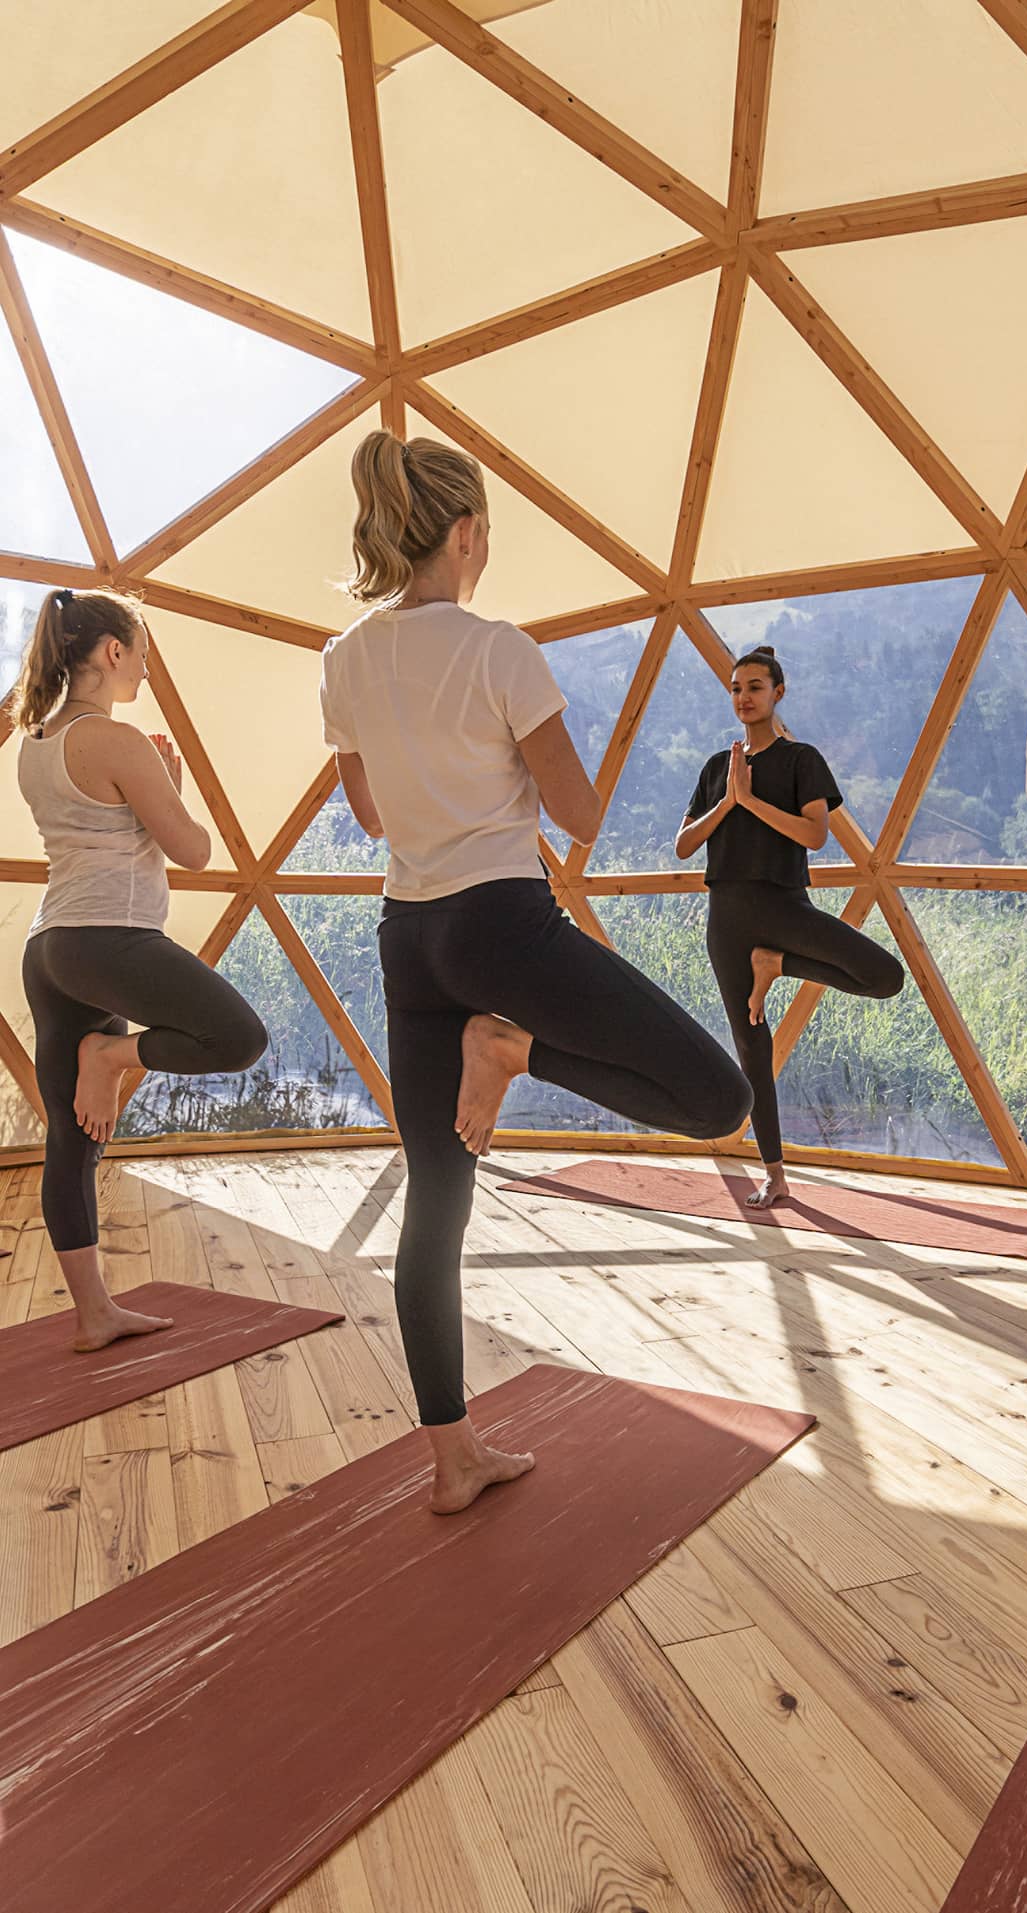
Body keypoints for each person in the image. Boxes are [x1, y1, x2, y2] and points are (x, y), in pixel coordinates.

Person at [323, 429, 751, 1514]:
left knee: (437, 1201)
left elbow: (370, 813)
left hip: (407, 937)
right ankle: (512, 1045)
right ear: (466, 533)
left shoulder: (346, 659)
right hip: (501, 923)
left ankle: (452, 1455)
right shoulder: (499, 648)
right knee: (715, 1096)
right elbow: (580, 810)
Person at [12, 589, 267, 1353]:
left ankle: (95, 1314)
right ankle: (110, 1054)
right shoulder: (116, 743)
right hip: (108, 942)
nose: (148, 672)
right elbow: (191, 848)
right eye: (144, 655)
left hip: (51, 947)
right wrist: (173, 789)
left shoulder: (35, 740)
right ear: (112, 652)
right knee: (237, 1035)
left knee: (74, 1137)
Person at [676, 645, 904, 1208]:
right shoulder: (716, 768)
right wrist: (728, 802)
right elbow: (683, 845)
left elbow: (813, 836)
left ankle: (775, 964)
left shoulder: (802, 759)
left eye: (754, 686)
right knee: (752, 1048)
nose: (743, 697)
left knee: (883, 975)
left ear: (779, 692)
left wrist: (750, 801)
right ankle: (776, 1176)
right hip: (727, 915)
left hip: (783, 906)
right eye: (735, 688)